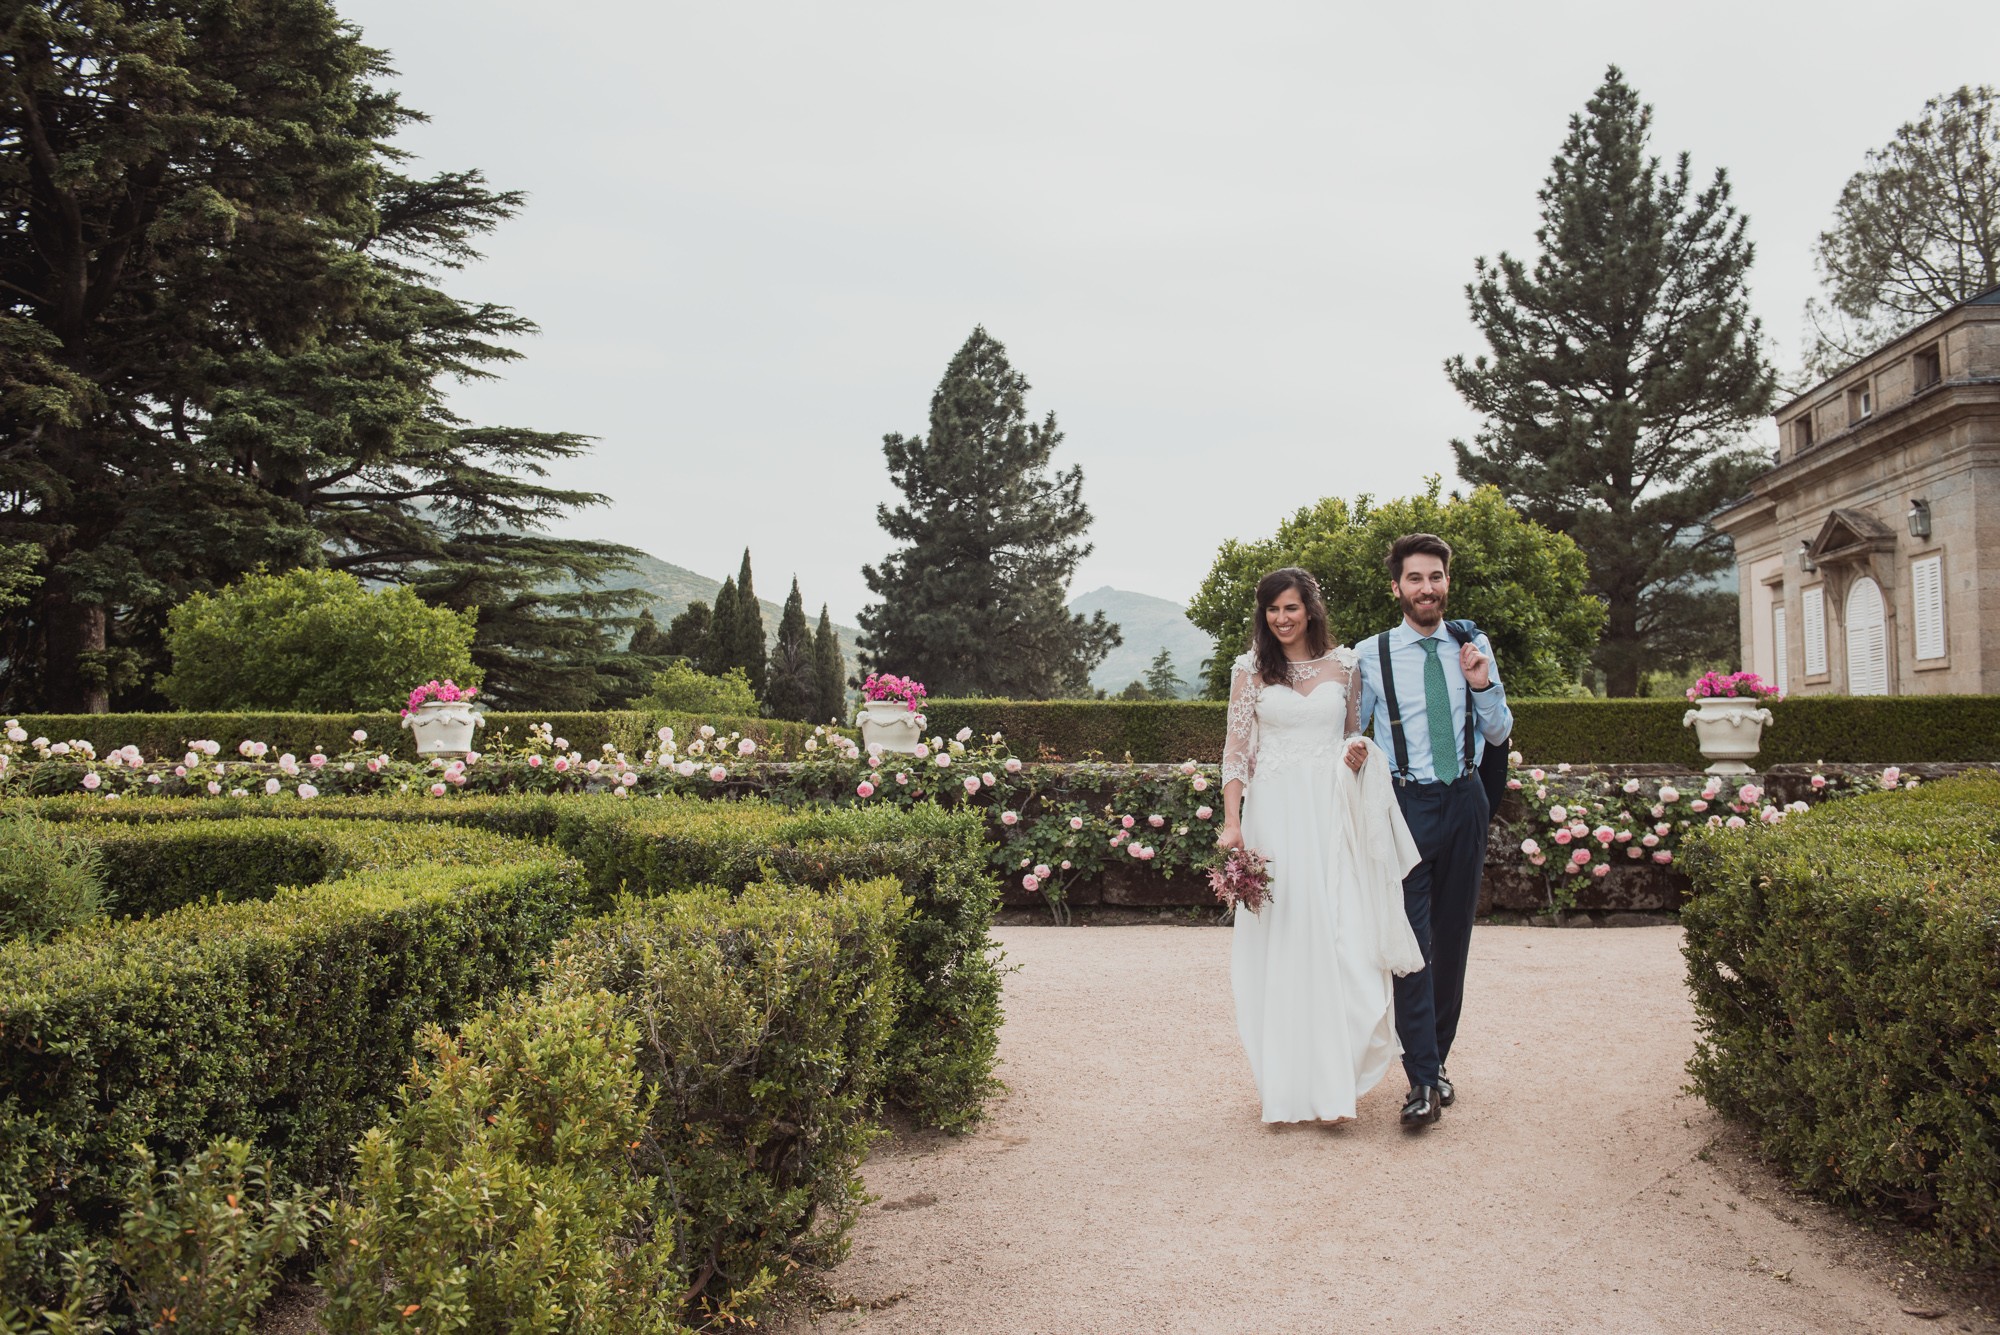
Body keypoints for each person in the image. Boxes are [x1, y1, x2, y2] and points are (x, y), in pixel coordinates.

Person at [1218, 567, 1424, 1124]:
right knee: (1286, 941)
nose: (1281, 619)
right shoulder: (1250, 671)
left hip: (1332, 816)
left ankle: (1336, 1084)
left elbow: (1354, 735)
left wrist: (1357, 752)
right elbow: (1237, 752)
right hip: (1276, 816)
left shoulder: (1347, 665)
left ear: (1310, 608)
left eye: (1290, 608)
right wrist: (1233, 824)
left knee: (1343, 935)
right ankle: (1288, 1086)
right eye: (1271, 610)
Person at [1353, 533, 1513, 1130]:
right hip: (1405, 805)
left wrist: (1480, 683)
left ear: (1448, 582)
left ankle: (1437, 1061)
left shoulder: (1473, 645)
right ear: (1396, 587)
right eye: (1415, 578)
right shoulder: (1369, 655)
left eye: (1437, 577)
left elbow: (1498, 731)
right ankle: (1421, 1079)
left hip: (1465, 798)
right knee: (1411, 943)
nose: (1427, 588)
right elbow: (1350, 734)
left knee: (1452, 941)